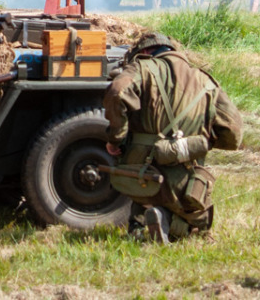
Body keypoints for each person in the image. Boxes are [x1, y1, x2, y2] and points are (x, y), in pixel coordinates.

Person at [102, 33, 242, 243]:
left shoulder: (142, 67)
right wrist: (202, 143)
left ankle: (144, 224)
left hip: (140, 171)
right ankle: (165, 219)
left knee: (144, 202)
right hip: (185, 177)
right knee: (199, 226)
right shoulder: (206, 81)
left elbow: (118, 91)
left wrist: (116, 138)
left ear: (146, 52)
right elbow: (233, 133)